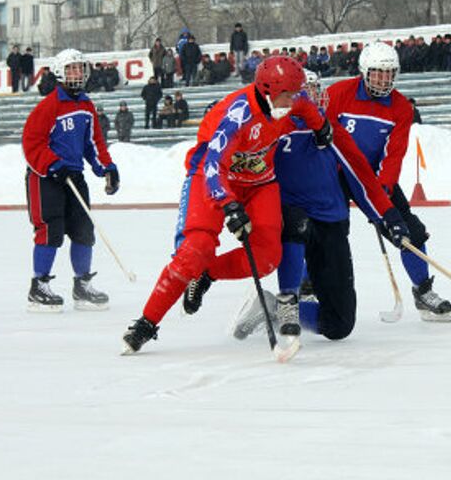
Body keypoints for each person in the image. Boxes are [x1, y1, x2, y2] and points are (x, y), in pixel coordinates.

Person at [121, 56, 334, 354]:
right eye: (288, 93)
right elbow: (212, 164)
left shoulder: (288, 100)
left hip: (260, 182)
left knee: (267, 257)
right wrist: (229, 205)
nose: (294, 99)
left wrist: (321, 127)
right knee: (193, 251)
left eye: (295, 92)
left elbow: (306, 107)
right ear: (267, 90)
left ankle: (208, 273)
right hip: (213, 178)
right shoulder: (238, 115)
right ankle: (146, 322)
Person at [230, 70, 409, 341]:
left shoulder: (330, 128)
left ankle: (273, 308)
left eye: (315, 89)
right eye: (305, 91)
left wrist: (389, 217)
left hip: (330, 222)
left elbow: (361, 176)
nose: (313, 96)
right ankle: (287, 298)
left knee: (339, 325)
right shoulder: (272, 129)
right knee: (295, 226)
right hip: (291, 221)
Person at [324, 42, 451, 321]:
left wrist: (380, 195)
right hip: (334, 175)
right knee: (325, 233)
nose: (384, 80)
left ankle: (422, 290)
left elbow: (394, 155)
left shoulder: (401, 107)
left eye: (389, 73)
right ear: (364, 71)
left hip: (372, 179)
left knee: (410, 230)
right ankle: (308, 286)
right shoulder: (337, 94)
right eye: (377, 73)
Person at [21, 49, 120, 312]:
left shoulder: (86, 106)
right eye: (71, 69)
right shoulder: (48, 106)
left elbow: (94, 143)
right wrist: (53, 165)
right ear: (59, 73)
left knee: (83, 231)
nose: (77, 73)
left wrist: (107, 168)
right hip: (46, 178)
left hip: (75, 177)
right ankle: (39, 286)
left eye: (79, 68)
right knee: (50, 230)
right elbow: (32, 143)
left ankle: (82, 285)